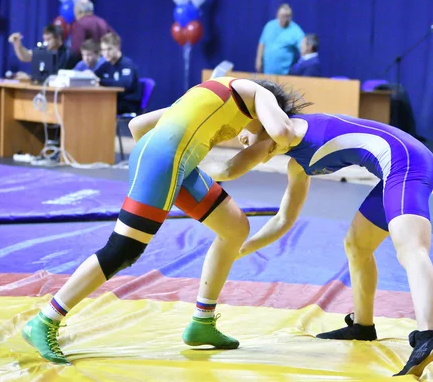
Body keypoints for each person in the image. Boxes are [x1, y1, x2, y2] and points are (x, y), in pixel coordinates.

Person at [21, 77, 297, 365]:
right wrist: (272, 144)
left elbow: (137, 125)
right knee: (123, 249)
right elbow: (282, 130)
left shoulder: (211, 94)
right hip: (165, 161)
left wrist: (168, 163)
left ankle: (202, 323)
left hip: (174, 163)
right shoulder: (258, 93)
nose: (246, 138)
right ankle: (44, 321)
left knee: (235, 227)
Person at [201, 80, 433, 378]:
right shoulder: (296, 162)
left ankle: (429, 335)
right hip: (398, 167)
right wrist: (239, 250)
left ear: (264, 116)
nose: (239, 136)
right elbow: (283, 220)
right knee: (357, 245)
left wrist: (188, 162)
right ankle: (363, 325)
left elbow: (229, 170)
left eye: (242, 124)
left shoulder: (290, 130)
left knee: (411, 249)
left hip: (407, 163)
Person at [94, 32, 141, 114]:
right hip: (113, 100)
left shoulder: (127, 64)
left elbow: (125, 84)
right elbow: (94, 77)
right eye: (103, 50)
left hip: (127, 103)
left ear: (118, 47)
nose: (106, 53)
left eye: (109, 49)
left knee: (99, 106)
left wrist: (101, 82)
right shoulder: (106, 65)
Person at [255, 4, 304, 75]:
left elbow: (303, 48)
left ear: (291, 17)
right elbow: (262, 43)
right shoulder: (269, 26)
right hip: (267, 71)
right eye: (282, 16)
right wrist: (258, 60)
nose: (285, 19)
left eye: (287, 16)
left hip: (285, 74)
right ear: (277, 15)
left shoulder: (296, 30)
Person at [8, 24, 73, 72]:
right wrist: (17, 44)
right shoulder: (44, 50)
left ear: (58, 38)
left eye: (49, 39)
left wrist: (29, 77)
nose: (46, 43)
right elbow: (26, 56)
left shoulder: (67, 54)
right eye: (44, 40)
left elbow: (56, 75)